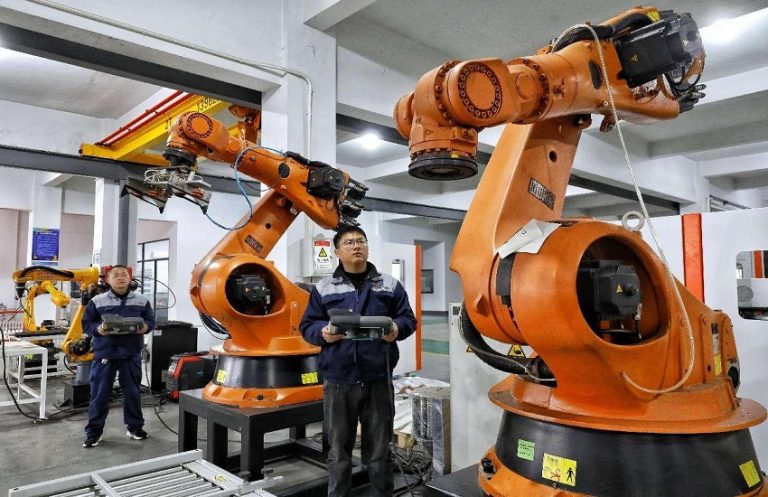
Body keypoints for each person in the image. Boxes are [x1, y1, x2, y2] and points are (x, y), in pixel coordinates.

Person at [300, 226, 417, 497]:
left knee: (379, 451)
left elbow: (408, 319)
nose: (356, 246)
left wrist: (397, 329)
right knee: (338, 450)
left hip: (378, 379)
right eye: (349, 242)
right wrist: (323, 333)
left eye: (361, 241)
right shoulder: (324, 288)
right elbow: (307, 326)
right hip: (339, 381)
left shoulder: (388, 285)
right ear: (337, 251)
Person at [81, 264, 155, 448]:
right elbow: (87, 324)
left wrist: (146, 327)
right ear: (108, 280)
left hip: (131, 354)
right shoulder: (97, 301)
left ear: (130, 279)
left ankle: (135, 427)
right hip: (105, 354)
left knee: (132, 393)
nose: (120, 277)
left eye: (124, 274)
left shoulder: (142, 300)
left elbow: (151, 321)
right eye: (116, 275)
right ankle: (94, 432)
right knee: (99, 394)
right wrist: (98, 329)